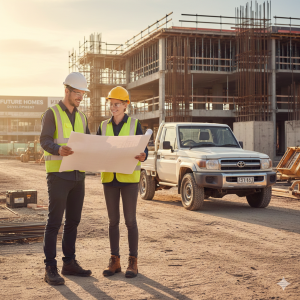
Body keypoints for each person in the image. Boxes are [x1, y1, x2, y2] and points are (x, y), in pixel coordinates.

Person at [40, 72, 92, 285]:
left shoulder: (82, 116)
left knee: (73, 222)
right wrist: (58, 149)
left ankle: (69, 263)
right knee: (54, 222)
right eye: (77, 93)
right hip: (59, 176)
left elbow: (87, 142)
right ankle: (50, 267)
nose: (80, 97)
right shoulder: (51, 113)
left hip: (78, 176)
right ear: (67, 91)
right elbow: (44, 141)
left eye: (82, 94)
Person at [97, 86, 148, 278]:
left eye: (117, 104)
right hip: (109, 179)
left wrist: (144, 156)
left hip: (128, 179)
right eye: (111, 104)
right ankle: (114, 260)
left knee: (130, 221)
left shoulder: (135, 124)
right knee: (113, 221)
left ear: (126, 105)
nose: (113, 107)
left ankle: (133, 261)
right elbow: (97, 148)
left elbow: (144, 150)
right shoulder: (103, 126)